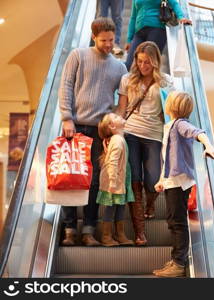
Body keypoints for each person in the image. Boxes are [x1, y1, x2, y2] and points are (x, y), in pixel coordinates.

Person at [59, 17, 128, 247]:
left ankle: (88, 230)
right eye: (104, 40)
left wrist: (115, 120)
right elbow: (66, 85)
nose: (109, 44)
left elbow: (124, 99)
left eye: (112, 40)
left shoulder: (119, 67)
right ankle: (69, 229)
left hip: (101, 132)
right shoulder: (78, 55)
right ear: (93, 37)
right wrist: (67, 117)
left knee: (95, 181)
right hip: (75, 126)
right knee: (70, 177)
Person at [152, 91, 214, 277]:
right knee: (173, 221)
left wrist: (208, 145)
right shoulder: (170, 125)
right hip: (171, 180)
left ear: (173, 106)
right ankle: (176, 260)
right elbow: (167, 157)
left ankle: (179, 264)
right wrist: (161, 180)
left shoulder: (180, 124)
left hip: (179, 182)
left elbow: (197, 133)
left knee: (178, 222)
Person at [117, 41, 173, 246]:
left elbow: (170, 111)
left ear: (155, 61)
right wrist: (116, 132)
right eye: (140, 61)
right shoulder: (127, 79)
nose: (143, 66)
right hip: (130, 132)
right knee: (135, 182)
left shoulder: (166, 82)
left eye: (147, 62)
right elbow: (121, 109)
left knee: (153, 181)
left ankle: (151, 205)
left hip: (154, 135)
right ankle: (140, 233)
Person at [96, 113, 134, 247]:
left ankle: (120, 234)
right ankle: (106, 236)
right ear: (112, 126)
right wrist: (112, 182)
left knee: (120, 207)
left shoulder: (119, 138)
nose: (120, 116)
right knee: (111, 208)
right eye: (116, 117)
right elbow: (112, 162)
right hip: (114, 182)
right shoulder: (117, 140)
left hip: (120, 180)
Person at [125, 0, 192, 71]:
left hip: (157, 29)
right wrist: (129, 39)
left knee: (149, 63)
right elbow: (133, 17)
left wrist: (181, 17)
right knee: (129, 64)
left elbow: (174, 3)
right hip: (139, 32)